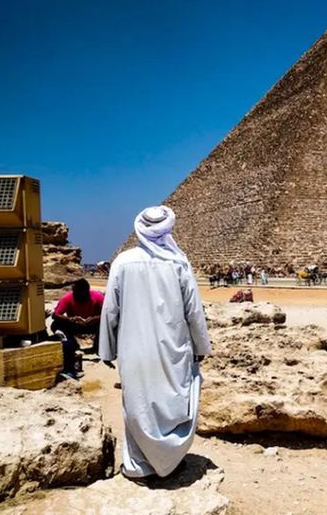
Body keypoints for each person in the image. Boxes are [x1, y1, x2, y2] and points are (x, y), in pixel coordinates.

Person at [99, 205, 211, 480]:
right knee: (171, 403)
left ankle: (138, 466)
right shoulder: (178, 263)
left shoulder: (123, 261)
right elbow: (194, 310)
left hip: (133, 347)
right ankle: (169, 462)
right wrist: (201, 347)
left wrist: (107, 349)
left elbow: (110, 309)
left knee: (137, 403)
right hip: (173, 346)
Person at [51, 278, 104, 378]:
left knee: (107, 323)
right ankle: (71, 344)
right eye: (77, 294)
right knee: (56, 324)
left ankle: (99, 347)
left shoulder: (98, 296)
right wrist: (70, 319)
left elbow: (109, 314)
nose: (80, 296)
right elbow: (55, 315)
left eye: (83, 294)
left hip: (93, 325)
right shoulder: (67, 298)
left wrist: (96, 318)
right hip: (75, 325)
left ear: (87, 291)